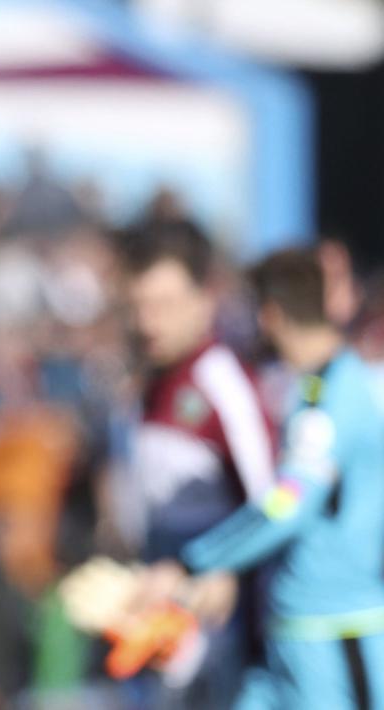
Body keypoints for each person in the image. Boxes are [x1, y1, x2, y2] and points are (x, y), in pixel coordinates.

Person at [167, 249, 384, 709]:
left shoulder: (336, 399)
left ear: (270, 315)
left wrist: (197, 562)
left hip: (333, 631)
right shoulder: (312, 387)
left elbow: (288, 505)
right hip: (290, 630)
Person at [120, 221, 276, 706]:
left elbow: (273, 506)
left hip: (229, 645)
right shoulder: (146, 384)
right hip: (165, 639)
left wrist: (222, 572)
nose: (148, 322)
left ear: (205, 299)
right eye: (138, 306)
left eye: (163, 305)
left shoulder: (223, 382)